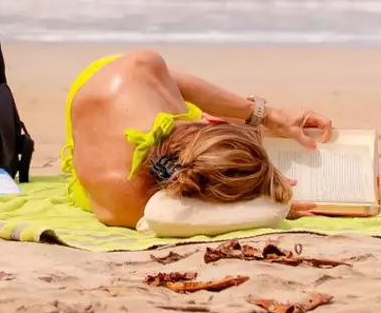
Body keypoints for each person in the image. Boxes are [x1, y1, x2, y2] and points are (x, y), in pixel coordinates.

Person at [62, 50, 332, 229]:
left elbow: (175, 80)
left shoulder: (143, 65)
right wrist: (269, 207)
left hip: (123, 82)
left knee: (156, 70)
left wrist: (269, 115)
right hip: (106, 99)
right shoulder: (130, 203)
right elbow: (172, 218)